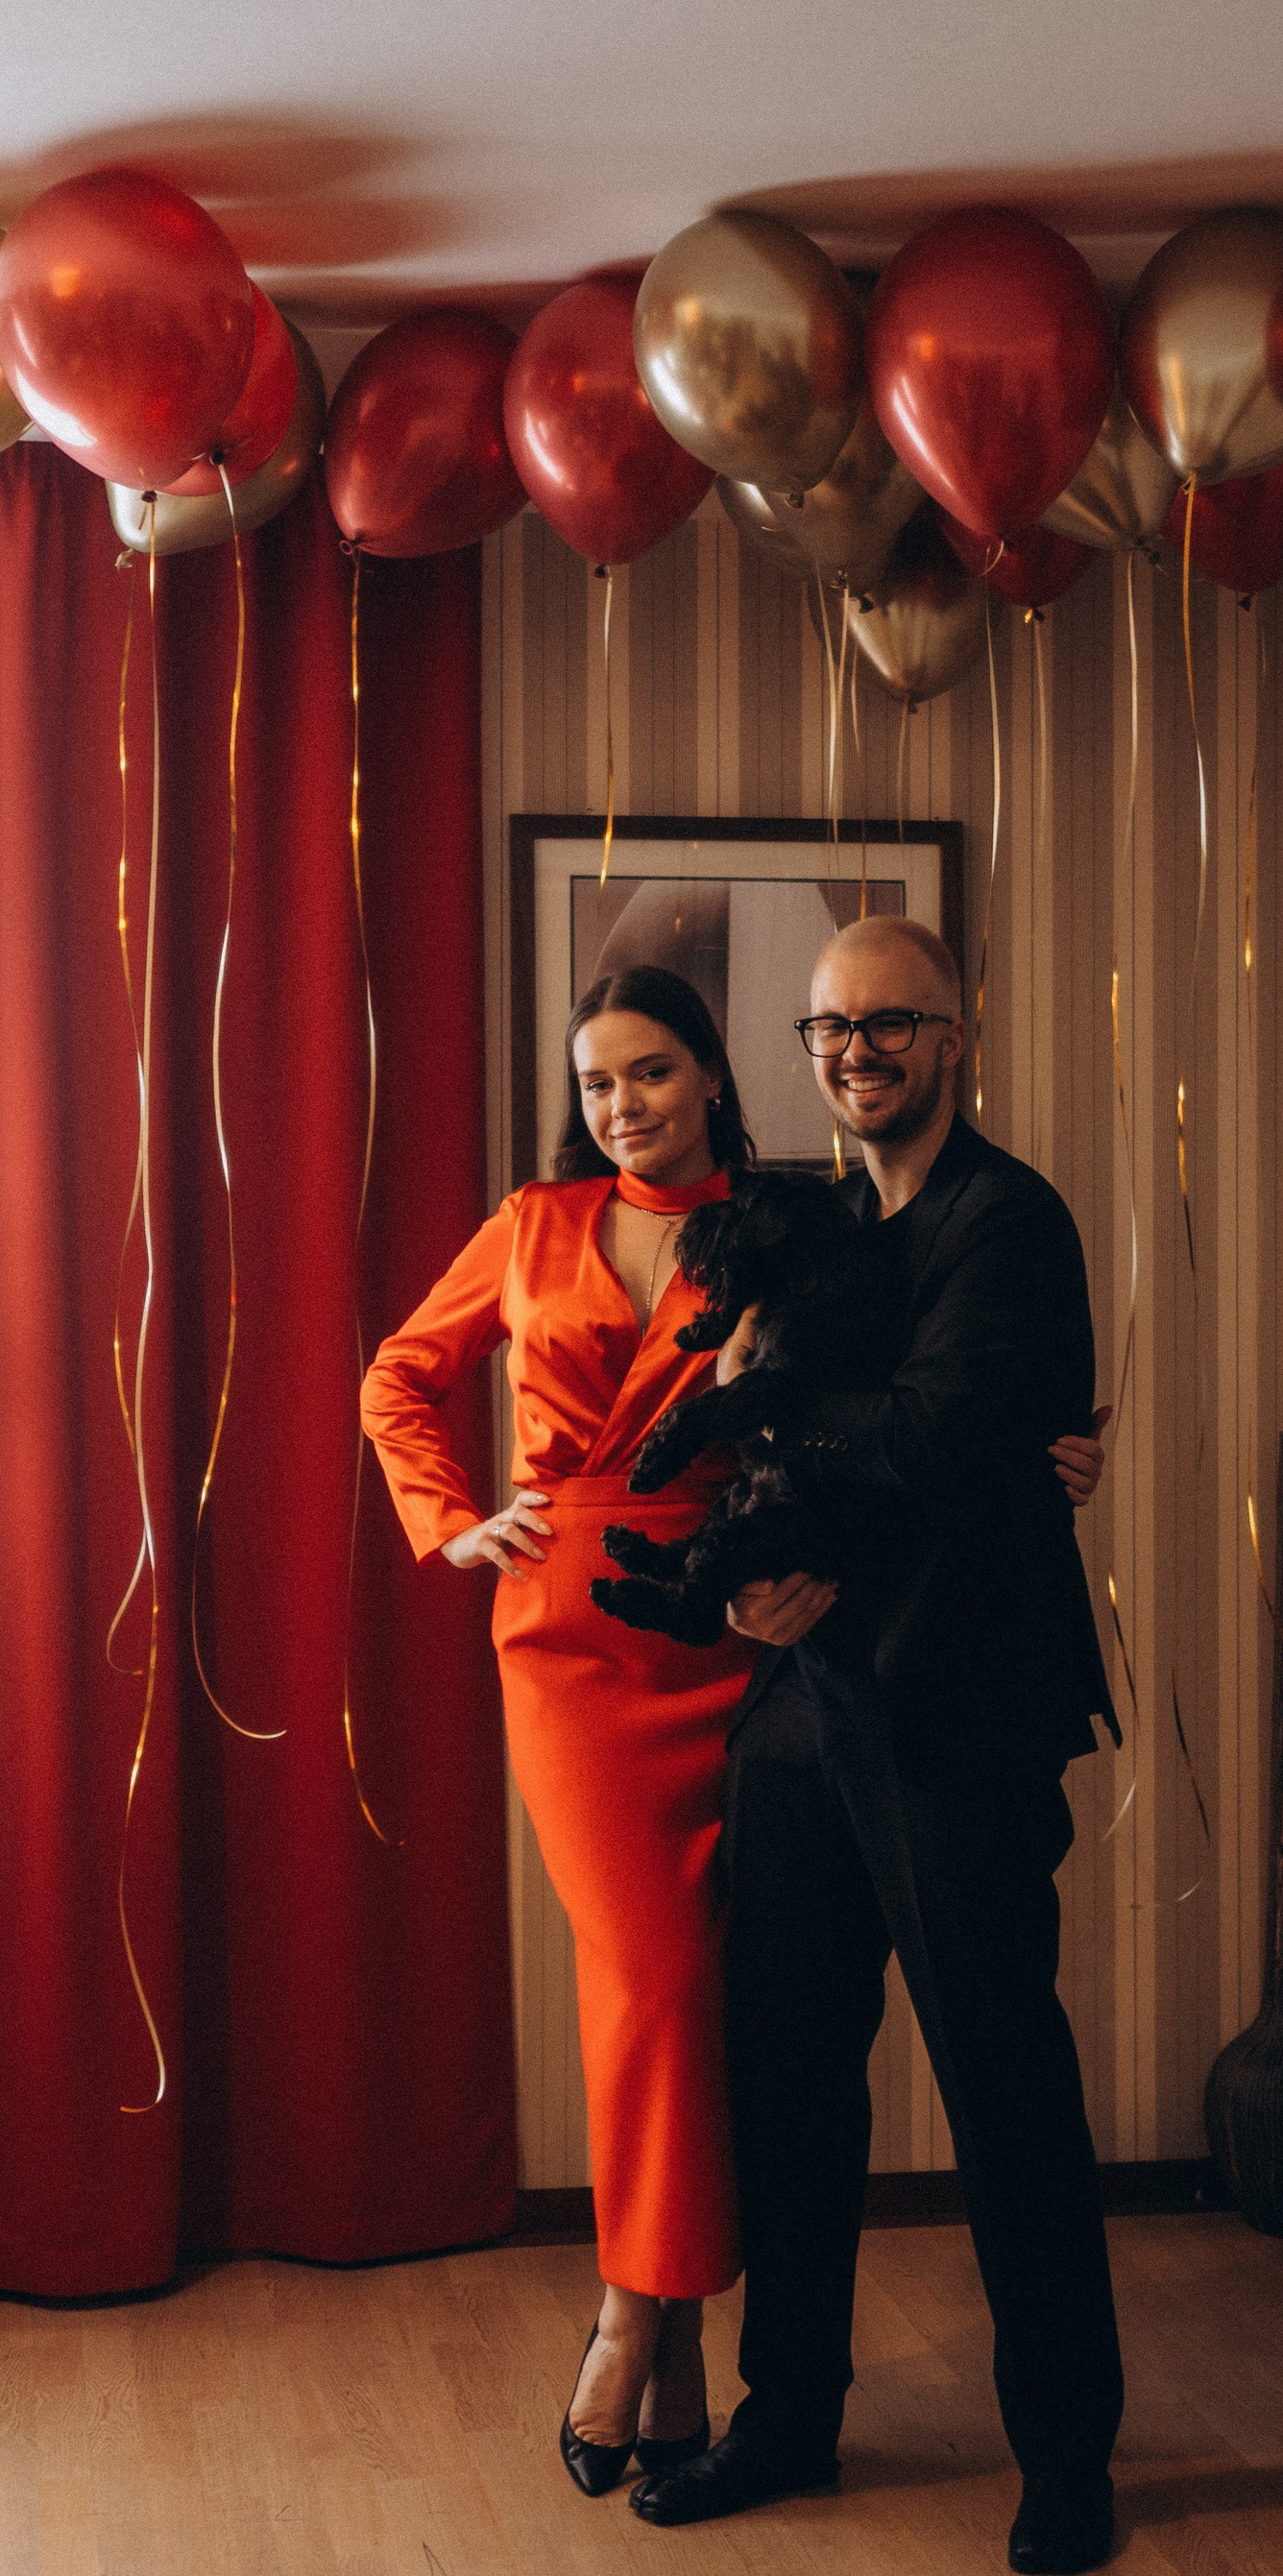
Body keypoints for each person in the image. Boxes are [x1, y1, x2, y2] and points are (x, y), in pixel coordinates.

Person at [631, 916, 1126, 2576]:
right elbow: (806, 1447)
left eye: (889, 1025)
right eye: (830, 1029)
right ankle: (788, 2417)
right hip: (801, 1706)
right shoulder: (816, 1222)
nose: (855, 1054)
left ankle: (1068, 2458)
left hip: (960, 1715)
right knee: (786, 2080)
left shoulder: (1012, 1221)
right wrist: (763, 1565)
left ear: (955, 1038)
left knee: (1004, 2087)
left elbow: (934, 1439)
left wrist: (781, 1411)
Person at [360, 965, 756, 2497]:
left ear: (709, 1073)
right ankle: (635, 2315)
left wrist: (1052, 1442)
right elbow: (399, 1378)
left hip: (731, 1625)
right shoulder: (533, 1225)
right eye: (597, 1083)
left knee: (696, 1997)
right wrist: (453, 1521)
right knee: (653, 1978)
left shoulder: (780, 1229)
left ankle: (666, 2343)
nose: (622, 1104)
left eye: (649, 1071)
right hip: (573, 1645)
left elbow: (884, 1393)